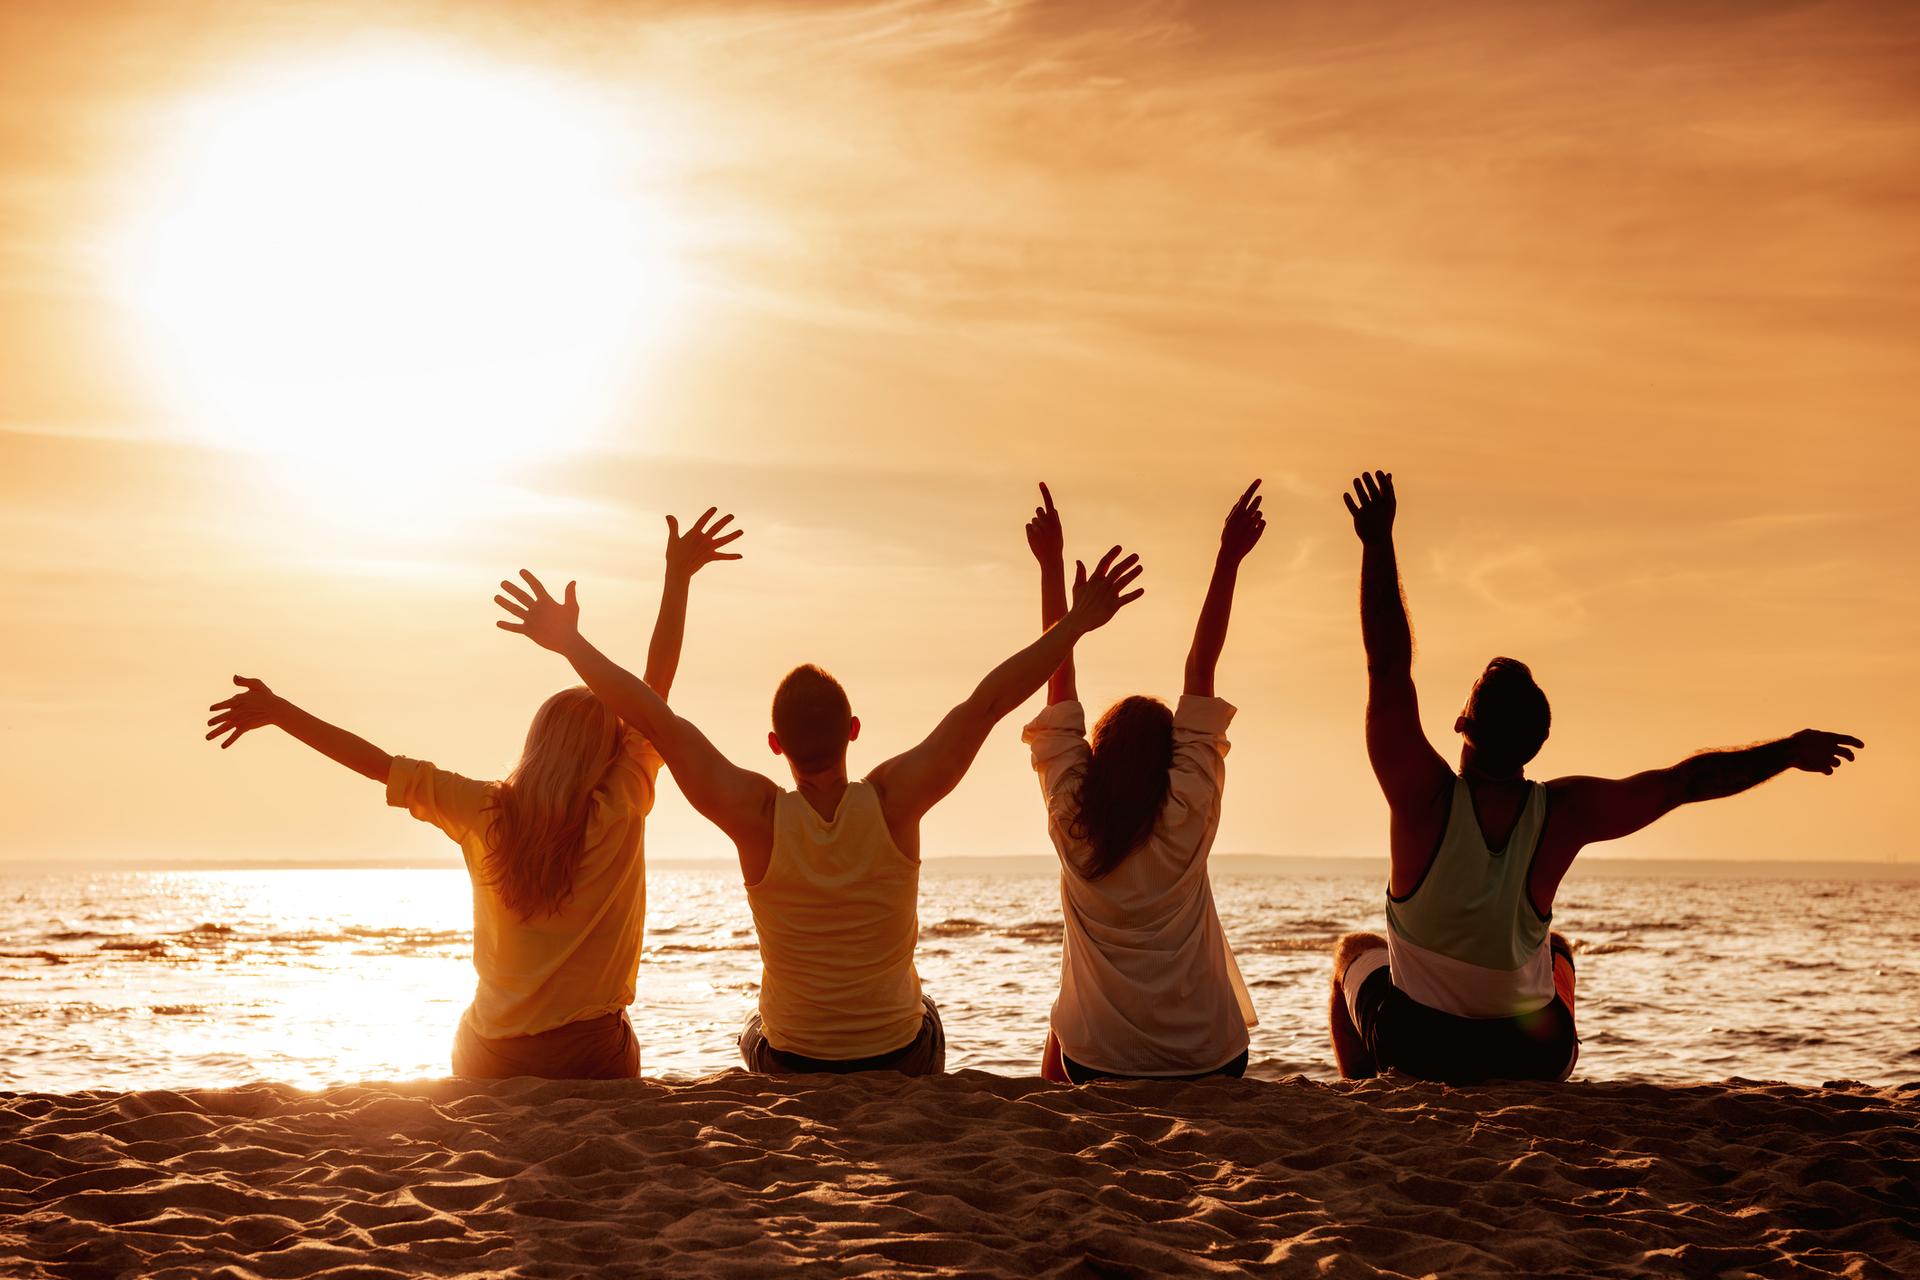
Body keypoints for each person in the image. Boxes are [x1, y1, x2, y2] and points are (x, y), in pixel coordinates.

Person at [493, 542, 1147, 1076]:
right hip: (899, 1058)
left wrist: (570, 645)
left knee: (756, 1028)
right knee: (929, 1015)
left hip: (791, 1063)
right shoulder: (896, 800)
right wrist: (1075, 624)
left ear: (775, 745)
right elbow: (987, 703)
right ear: (853, 730)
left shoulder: (755, 815)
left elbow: (655, 721)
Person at [1328, 470, 1864, 1084]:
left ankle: (1361, 1094)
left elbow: (1388, 667)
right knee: (1556, 950)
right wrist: (1787, 750)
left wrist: (1377, 540)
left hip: (1421, 1050)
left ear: (1459, 723)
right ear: (1537, 746)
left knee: (1352, 952)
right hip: (1530, 1055)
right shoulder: (1564, 812)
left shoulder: (1421, 795)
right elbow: (1683, 782)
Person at [205, 508, 745, 1079]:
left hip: (492, 1053)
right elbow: (652, 700)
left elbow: (373, 763)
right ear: (607, 752)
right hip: (589, 1056)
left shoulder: (482, 809)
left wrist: (280, 711)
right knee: (614, 1033)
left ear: (537, 743)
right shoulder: (619, 801)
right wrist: (675, 580)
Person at [1021, 481, 1264, 1084]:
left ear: (1098, 759)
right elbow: (1200, 669)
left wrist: (1052, 568)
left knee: (1063, 1020)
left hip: (1096, 1067)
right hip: (1213, 1060)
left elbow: (1059, 685)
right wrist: (1229, 556)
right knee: (1067, 1014)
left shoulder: (1075, 821)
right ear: (1170, 762)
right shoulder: (1189, 809)